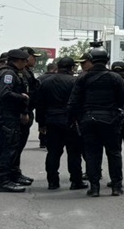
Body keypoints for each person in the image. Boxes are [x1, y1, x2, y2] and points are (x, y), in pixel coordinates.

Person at [68, 48, 124, 197]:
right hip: (111, 120)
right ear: (107, 61)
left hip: (89, 120)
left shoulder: (83, 78)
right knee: (114, 153)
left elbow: (74, 101)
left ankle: (94, 187)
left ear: (91, 60)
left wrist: (74, 119)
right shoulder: (115, 78)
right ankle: (116, 186)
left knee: (92, 154)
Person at [33, 57, 85, 190]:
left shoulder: (46, 82)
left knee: (53, 152)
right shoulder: (76, 82)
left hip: (52, 120)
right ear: (72, 68)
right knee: (74, 153)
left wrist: (41, 123)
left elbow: (40, 105)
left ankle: (52, 181)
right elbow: (80, 103)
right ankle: (76, 180)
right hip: (71, 121)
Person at [0, 50, 33, 192]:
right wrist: (22, 97)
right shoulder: (8, 74)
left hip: (10, 115)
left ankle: (12, 175)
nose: (26, 64)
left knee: (12, 147)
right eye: (25, 61)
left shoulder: (13, 72)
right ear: (19, 61)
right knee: (6, 148)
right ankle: (3, 181)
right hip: (5, 115)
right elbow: (5, 93)